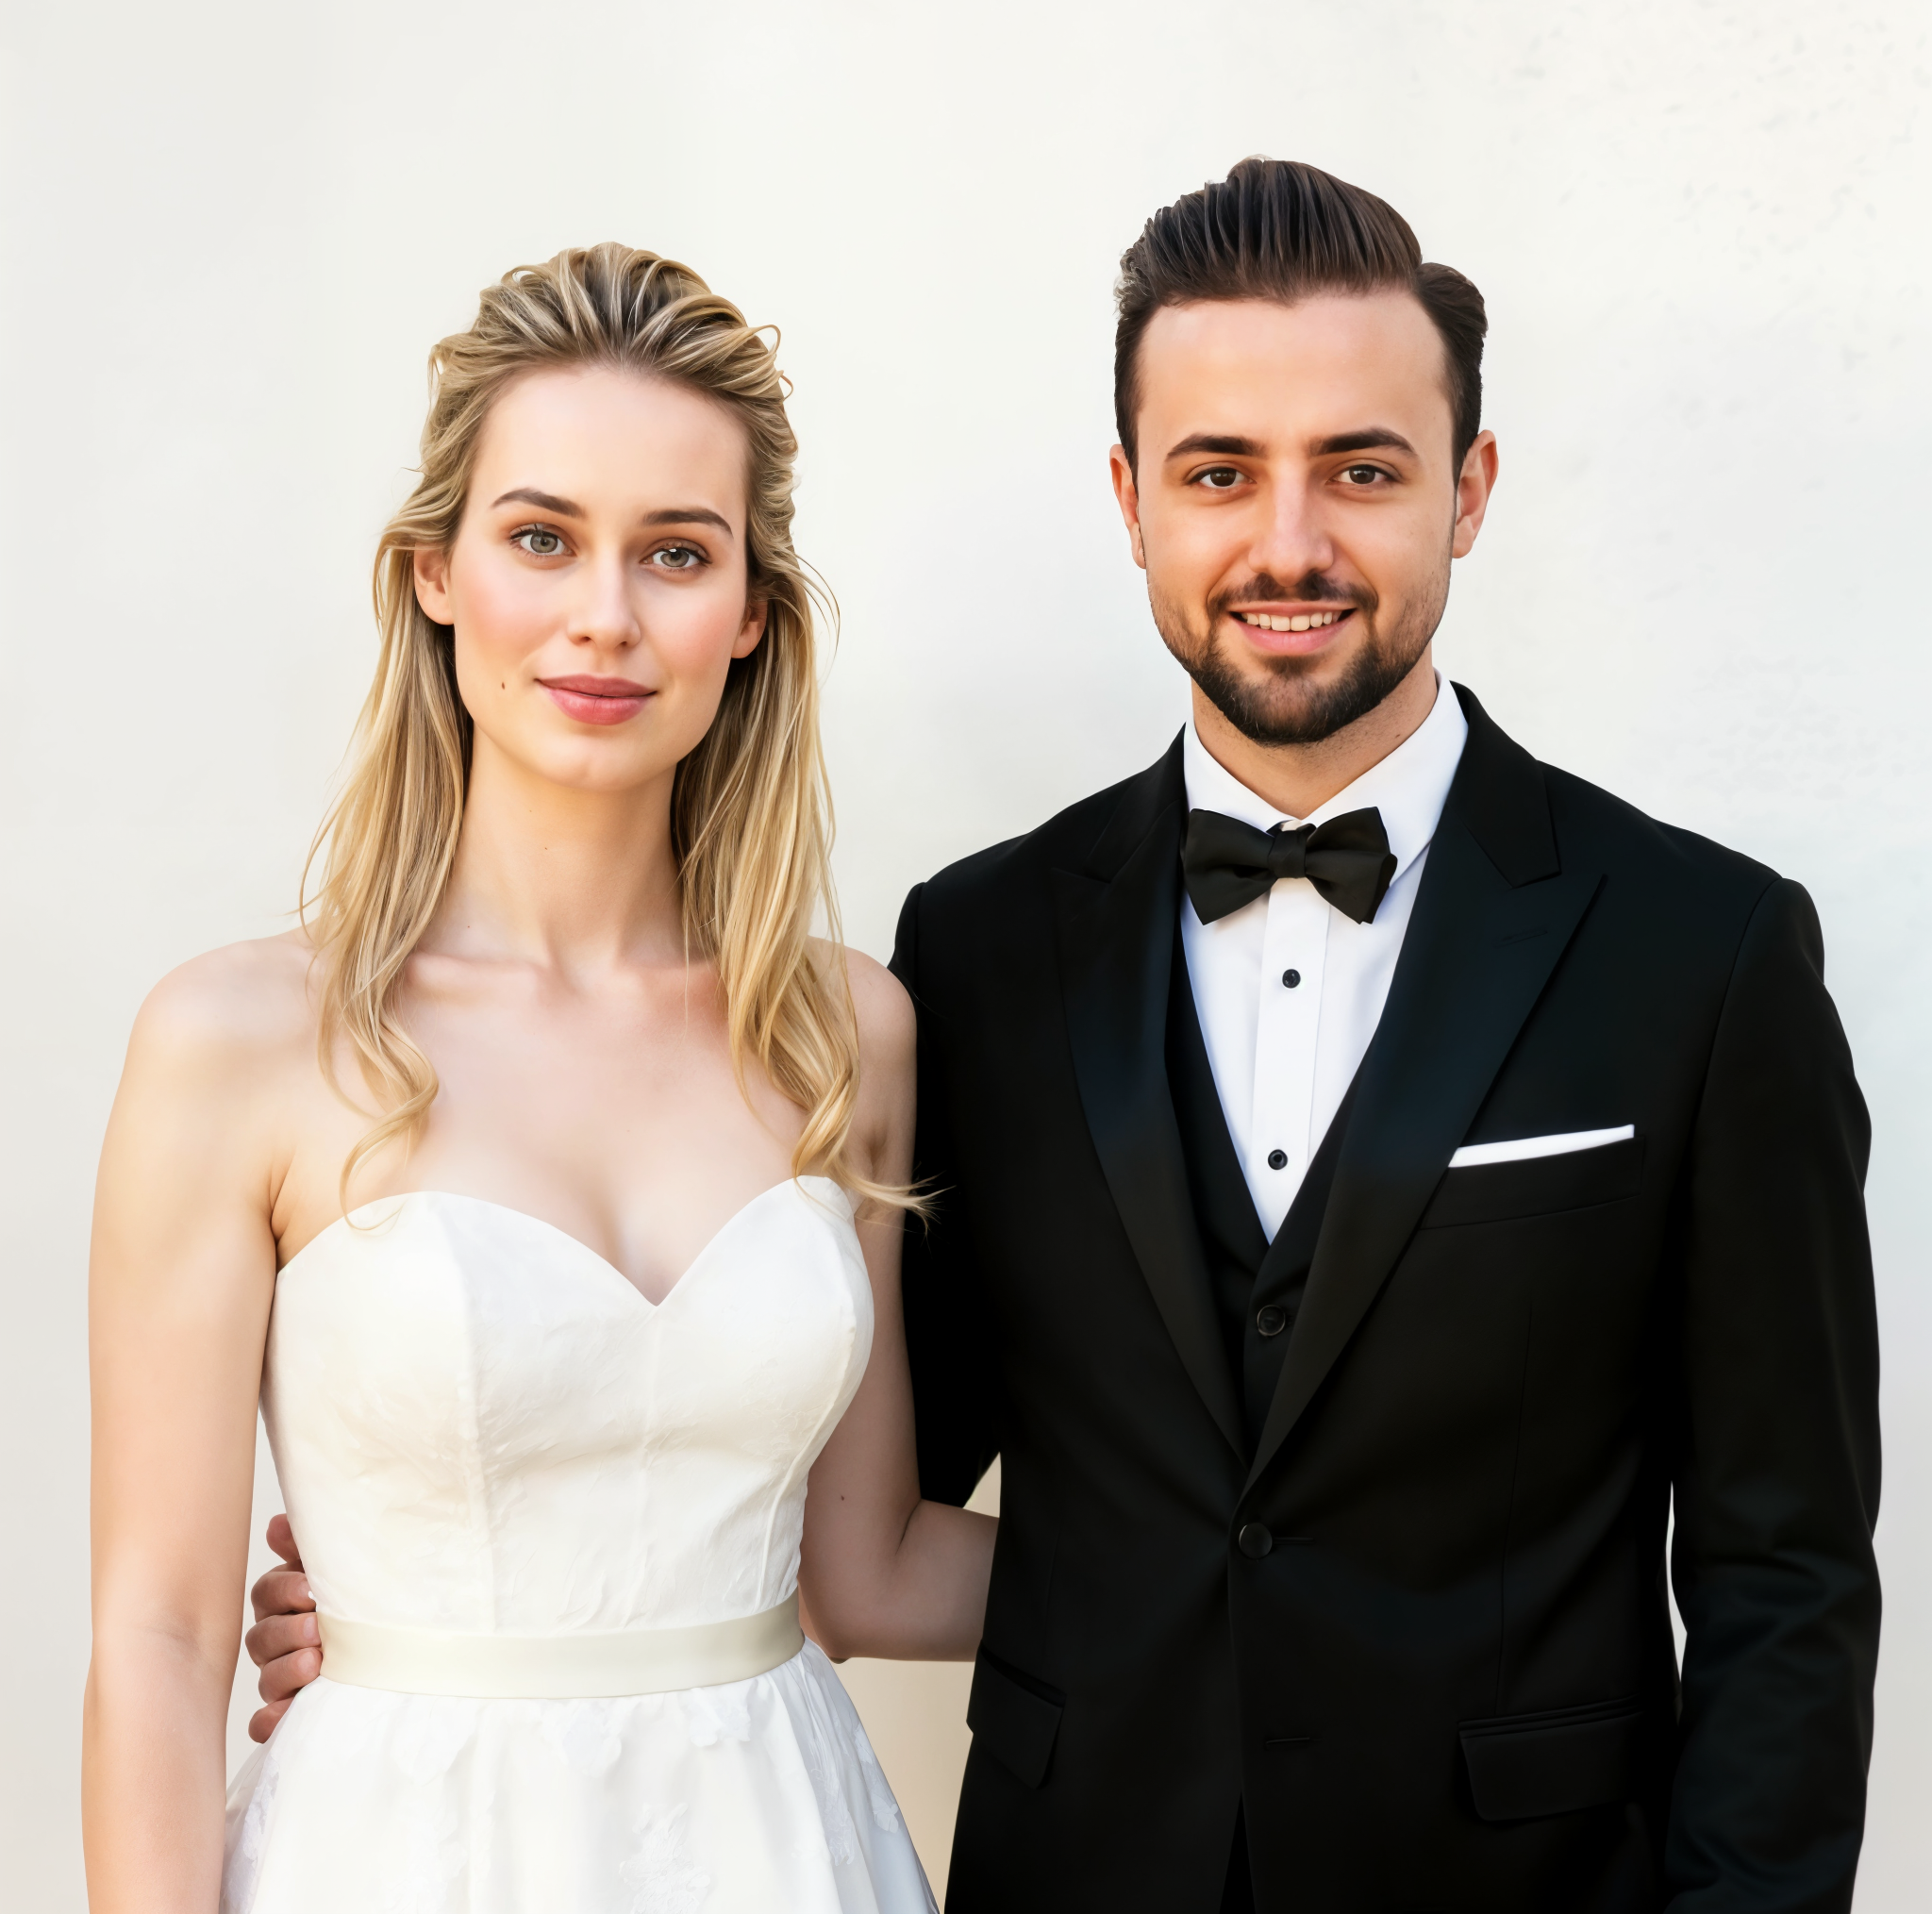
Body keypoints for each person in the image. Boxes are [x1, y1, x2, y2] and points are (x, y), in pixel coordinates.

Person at [251, 161, 1883, 1912]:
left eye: (1364, 468)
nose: (1287, 543)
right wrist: (463, 1586)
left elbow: (1783, 1569)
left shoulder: (1704, 954)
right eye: (1216, 474)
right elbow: (828, 1484)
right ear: (1129, 498)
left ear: (1469, 489)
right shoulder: (975, 952)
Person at [83, 244, 993, 1914]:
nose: (605, 614)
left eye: (675, 554)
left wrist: (1304, 1571)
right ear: (436, 572)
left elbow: (868, 1569)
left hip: (786, 1849)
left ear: (749, 617)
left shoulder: (843, 1034)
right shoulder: (237, 1045)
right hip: (397, 1859)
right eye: (541, 536)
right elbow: (159, 1628)